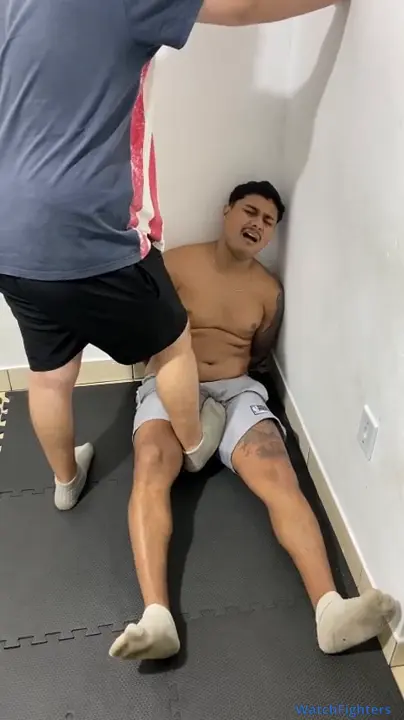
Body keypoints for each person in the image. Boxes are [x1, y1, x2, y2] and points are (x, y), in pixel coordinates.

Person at [0, 0, 341, 510]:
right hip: (85, 229)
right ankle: (197, 445)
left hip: (9, 235)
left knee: (50, 375)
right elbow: (244, 6)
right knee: (174, 339)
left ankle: (65, 482)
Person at [109, 181, 396, 661]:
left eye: (268, 221)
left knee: (278, 471)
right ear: (226, 211)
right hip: (174, 383)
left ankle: (330, 612)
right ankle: (157, 616)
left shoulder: (268, 291)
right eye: (250, 211)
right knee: (151, 463)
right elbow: (142, 330)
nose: (257, 224)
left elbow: (259, 351)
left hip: (236, 389)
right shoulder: (176, 263)